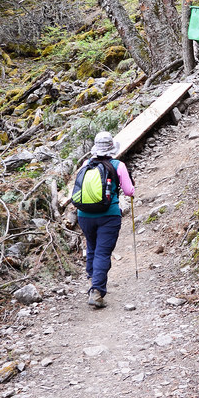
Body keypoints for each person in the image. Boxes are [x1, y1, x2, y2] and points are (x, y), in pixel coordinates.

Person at [75, 131, 134, 308]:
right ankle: (97, 291)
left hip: (84, 215)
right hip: (108, 215)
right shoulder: (118, 165)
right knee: (102, 252)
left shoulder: (86, 164)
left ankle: (94, 281)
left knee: (92, 247)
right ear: (111, 148)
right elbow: (129, 191)